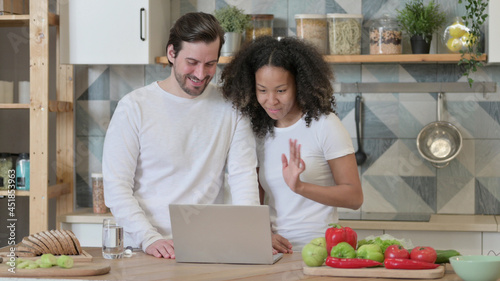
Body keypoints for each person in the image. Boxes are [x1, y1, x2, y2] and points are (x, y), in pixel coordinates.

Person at [102, 12, 260, 259]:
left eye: (210, 64)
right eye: (192, 62)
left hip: (210, 248)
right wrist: (149, 238)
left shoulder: (232, 107)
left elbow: (243, 178)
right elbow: (116, 187)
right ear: (171, 53)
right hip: (146, 249)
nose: (200, 74)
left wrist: (250, 236)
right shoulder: (134, 107)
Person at [220, 36, 363, 253]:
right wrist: (261, 233)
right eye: (262, 90)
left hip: (320, 250)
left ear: (299, 84)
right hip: (274, 252)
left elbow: (354, 198)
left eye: (281, 90)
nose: (271, 100)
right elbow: (255, 197)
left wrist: (300, 187)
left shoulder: (325, 125)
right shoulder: (258, 131)